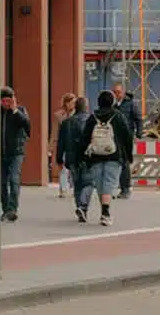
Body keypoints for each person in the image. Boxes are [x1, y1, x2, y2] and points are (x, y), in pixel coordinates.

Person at [78, 87, 132, 227]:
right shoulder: (118, 116)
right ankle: (105, 213)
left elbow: (84, 137)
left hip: (95, 155)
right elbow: (127, 136)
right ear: (112, 101)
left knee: (100, 185)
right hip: (114, 155)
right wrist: (128, 155)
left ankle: (104, 210)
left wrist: (82, 155)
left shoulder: (92, 117)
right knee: (109, 183)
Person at [0, 87, 32, 222]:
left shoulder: (20, 111)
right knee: (2, 183)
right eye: (4, 101)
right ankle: (5, 209)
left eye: (9, 101)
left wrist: (15, 110)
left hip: (17, 152)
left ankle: (12, 209)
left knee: (14, 178)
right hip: (1, 152)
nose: (6, 104)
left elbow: (27, 125)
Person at [55, 93, 89, 199]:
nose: (72, 104)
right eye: (70, 102)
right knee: (63, 169)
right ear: (65, 103)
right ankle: (64, 189)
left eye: (74, 102)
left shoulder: (80, 115)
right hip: (65, 144)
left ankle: (76, 190)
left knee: (75, 170)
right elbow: (55, 132)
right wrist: (52, 145)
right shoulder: (59, 115)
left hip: (74, 147)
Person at [110, 79, 138, 197]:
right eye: (115, 92)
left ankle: (125, 188)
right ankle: (112, 188)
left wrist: (138, 133)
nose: (117, 94)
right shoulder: (112, 105)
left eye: (118, 92)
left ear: (123, 92)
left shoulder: (130, 104)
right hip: (114, 137)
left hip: (126, 137)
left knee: (124, 162)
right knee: (114, 162)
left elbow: (138, 119)